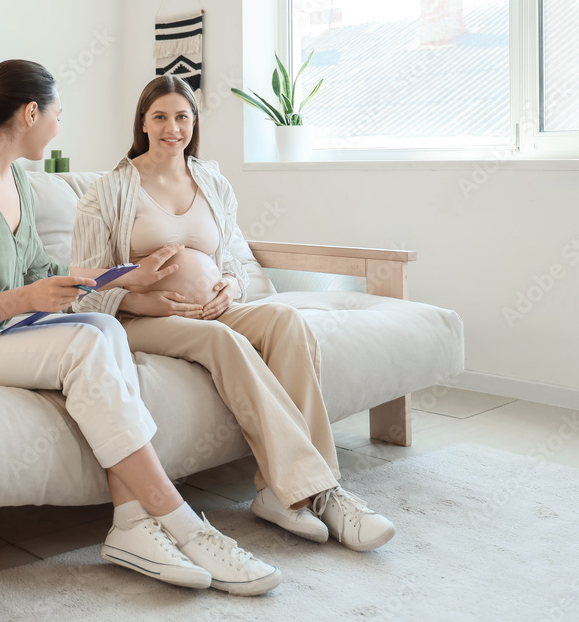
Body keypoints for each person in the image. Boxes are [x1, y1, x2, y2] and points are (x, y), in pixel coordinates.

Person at [0, 60, 283, 595]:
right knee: (85, 344)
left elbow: (43, 272)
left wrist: (127, 281)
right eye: (58, 115)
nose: (59, 128)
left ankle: (130, 523)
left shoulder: (17, 177)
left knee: (105, 330)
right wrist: (25, 299)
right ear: (31, 112)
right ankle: (177, 519)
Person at [71, 75, 396, 552]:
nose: (172, 127)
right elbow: (86, 284)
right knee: (224, 341)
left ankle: (285, 496)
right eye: (160, 116)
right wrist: (140, 301)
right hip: (142, 320)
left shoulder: (211, 182)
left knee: (286, 321)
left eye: (182, 116)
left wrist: (231, 287)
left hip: (215, 310)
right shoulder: (110, 190)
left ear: (194, 121)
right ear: (142, 122)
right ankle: (318, 489)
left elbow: (233, 265)